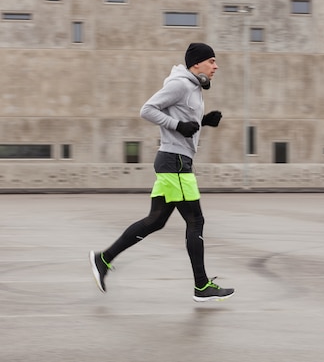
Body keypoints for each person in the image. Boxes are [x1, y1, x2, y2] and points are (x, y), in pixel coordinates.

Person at [89, 43, 235, 302]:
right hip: (175, 163)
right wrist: (178, 125)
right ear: (196, 64)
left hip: (174, 161)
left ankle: (104, 258)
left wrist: (203, 122)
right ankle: (201, 286)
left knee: (155, 220)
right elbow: (147, 109)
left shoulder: (193, 88)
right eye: (211, 61)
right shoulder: (180, 84)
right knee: (195, 221)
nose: (216, 66)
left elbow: (183, 117)